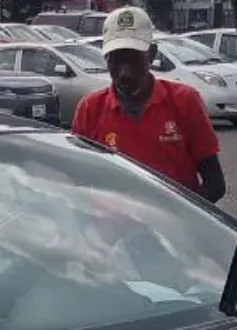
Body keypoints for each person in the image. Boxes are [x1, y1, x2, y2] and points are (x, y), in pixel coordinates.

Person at [69, 5, 227, 204]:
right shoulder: (90, 109)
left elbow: (215, 184)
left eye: (133, 60)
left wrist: (179, 217)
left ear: (152, 55)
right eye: (115, 61)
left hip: (174, 220)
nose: (124, 72)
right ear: (105, 58)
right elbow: (79, 181)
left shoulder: (184, 101)